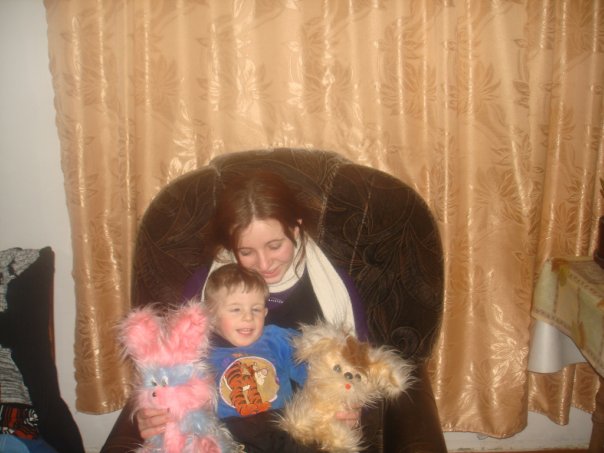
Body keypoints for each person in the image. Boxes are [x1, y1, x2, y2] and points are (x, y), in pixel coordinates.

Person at [135, 170, 368, 450]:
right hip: (220, 437)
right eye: (246, 252)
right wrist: (151, 414)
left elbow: (360, 370)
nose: (264, 264)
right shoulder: (204, 288)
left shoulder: (335, 288)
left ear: (295, 229)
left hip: (303, 437)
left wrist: (352, 407)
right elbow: (168, 368)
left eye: (275, 245)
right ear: (230, 245)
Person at [203, 263, 311, 451]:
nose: (248, 317)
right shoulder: (203, 352)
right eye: (236, 309)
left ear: (265, 313)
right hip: (232, 434)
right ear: (211, 316)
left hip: (282, 425)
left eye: (256, 309)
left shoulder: (277, 340)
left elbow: (313, 371)